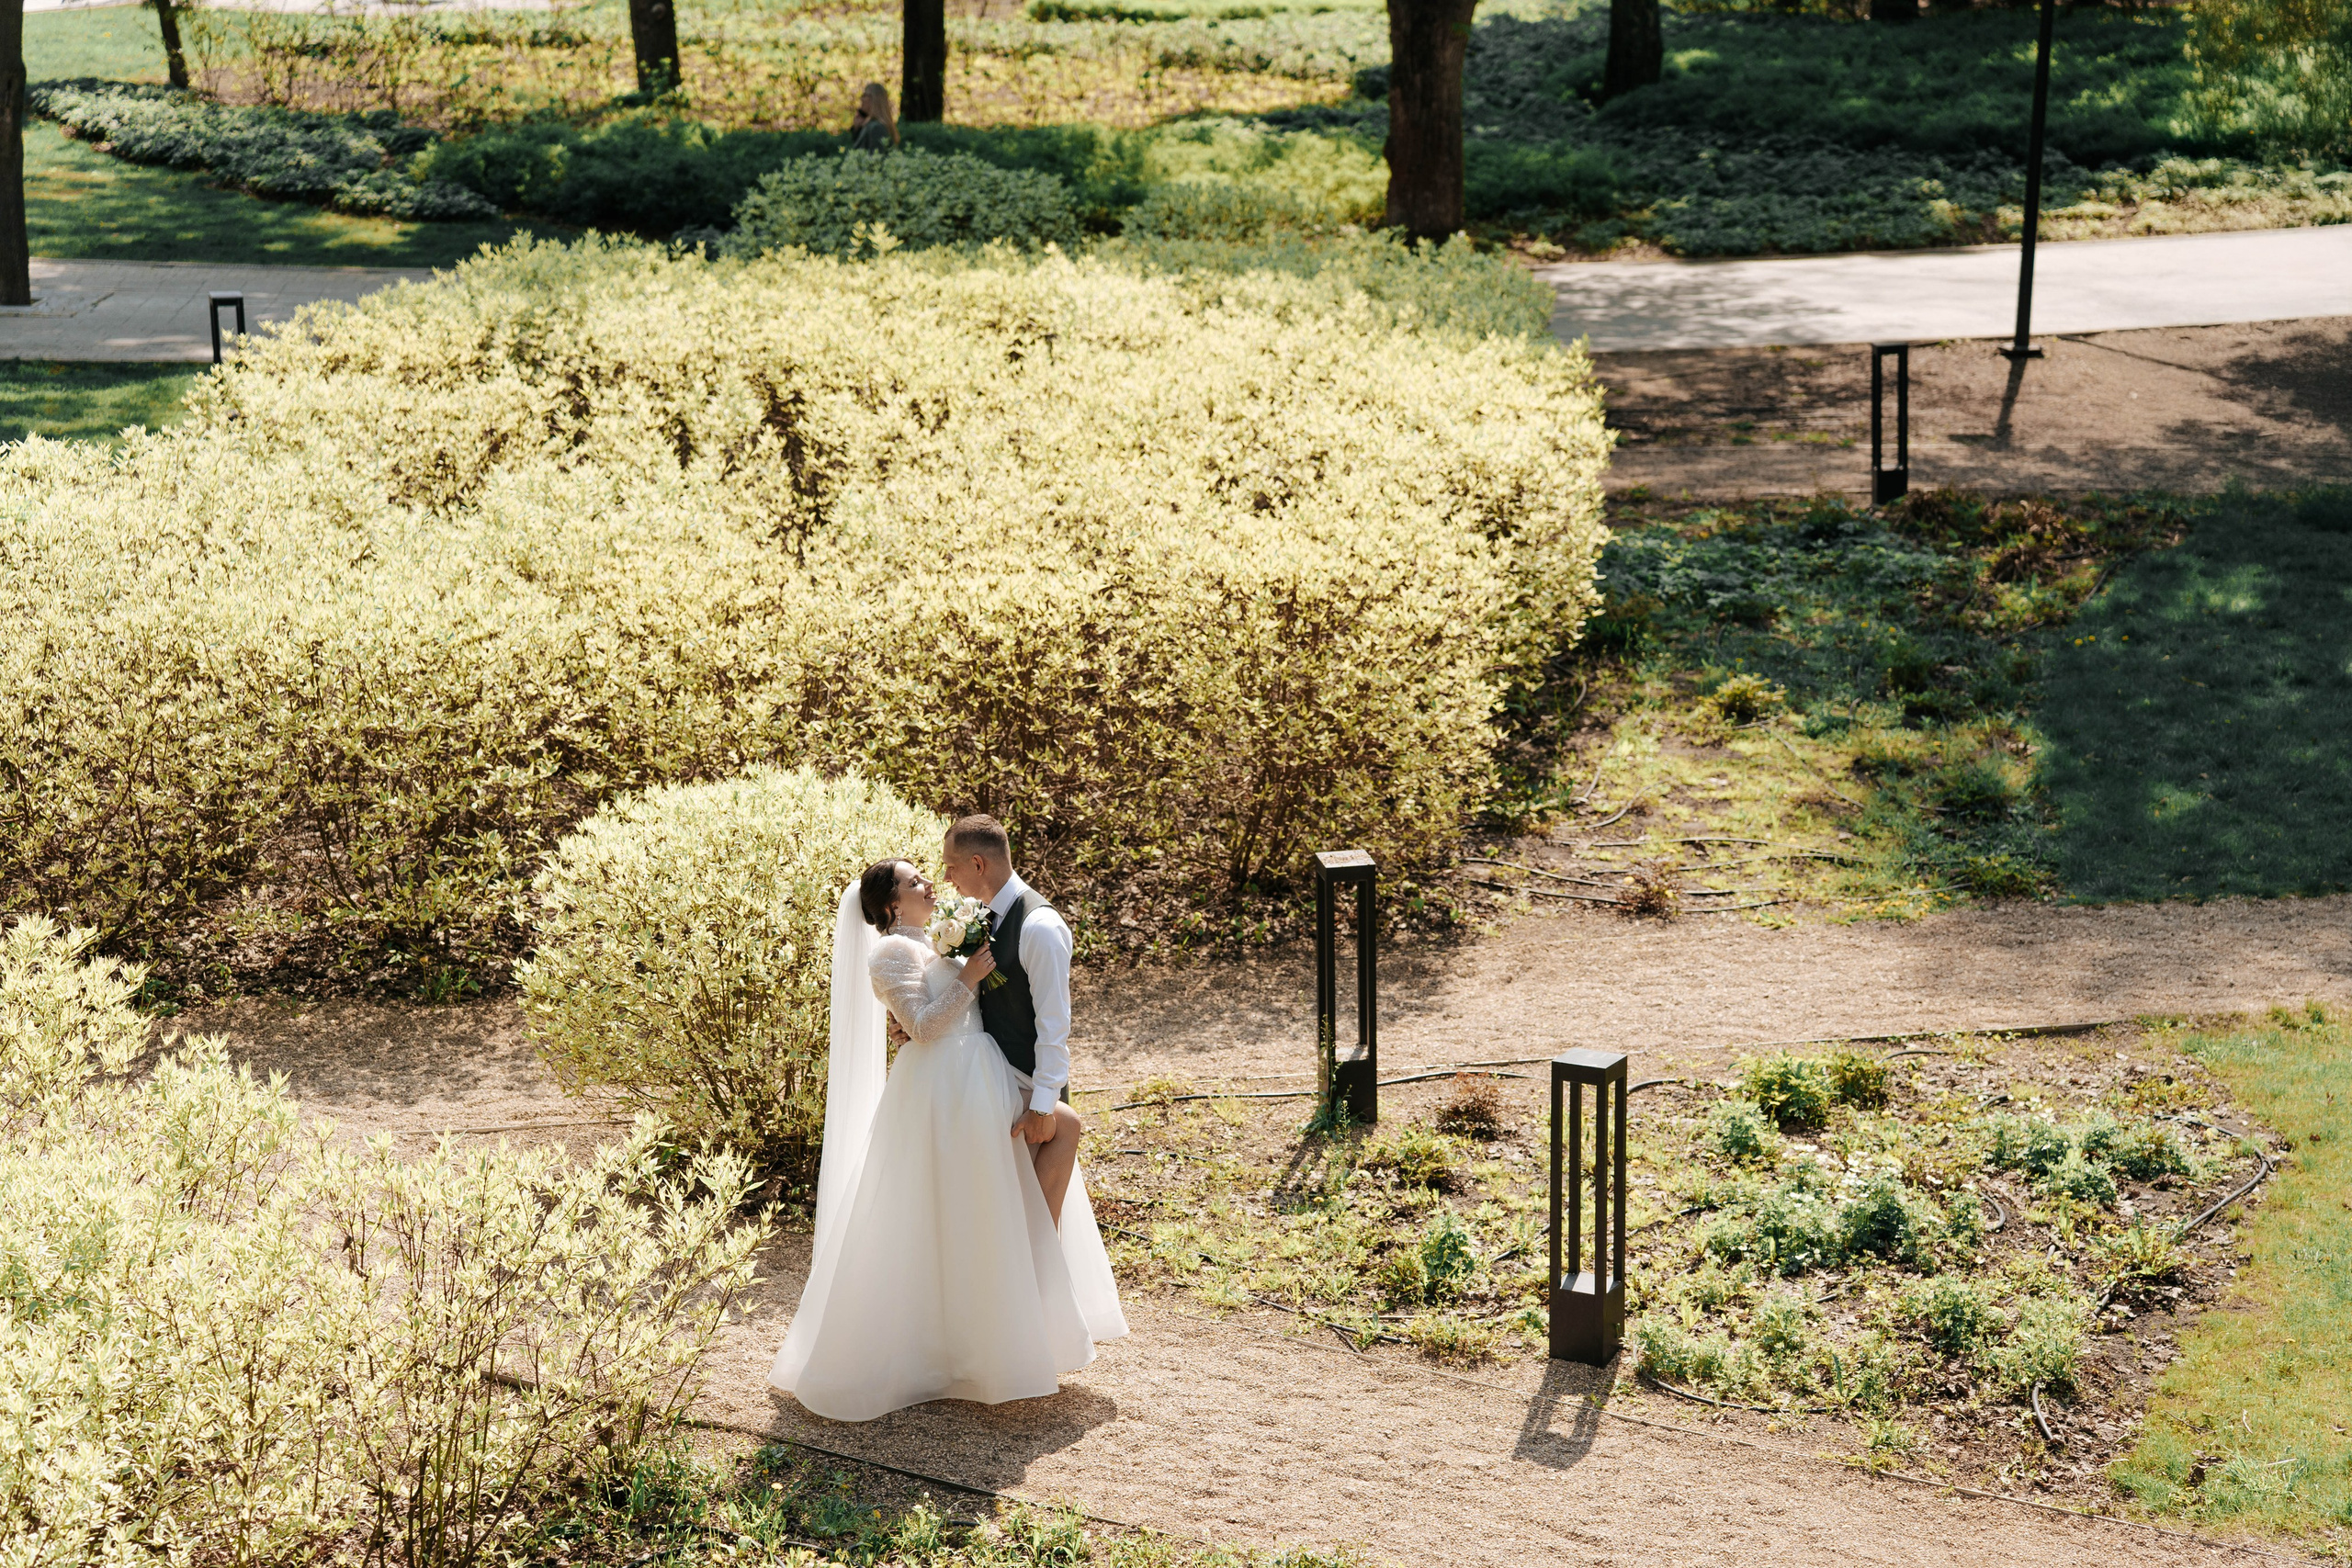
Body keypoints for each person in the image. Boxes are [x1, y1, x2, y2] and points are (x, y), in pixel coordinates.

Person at [767, 840, 1125, 1424]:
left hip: (979, 1072)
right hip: (942, 1084)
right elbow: (924, 1028)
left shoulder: (938, 939)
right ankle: (953, 1345)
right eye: (914, 883)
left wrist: (964, 968)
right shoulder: (888, 954)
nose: (930, 886)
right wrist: (969, 977)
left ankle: (1029, 1270)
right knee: (954, 1207)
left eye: (926, 878)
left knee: (1050, 1139)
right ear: (889, 906)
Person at [849, 82, 898, 152]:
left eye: (865, 95)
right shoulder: (870, 126)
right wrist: (857, 130)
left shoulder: (876, 128)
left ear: (875, 99)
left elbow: (875, 159)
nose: (861, 99)